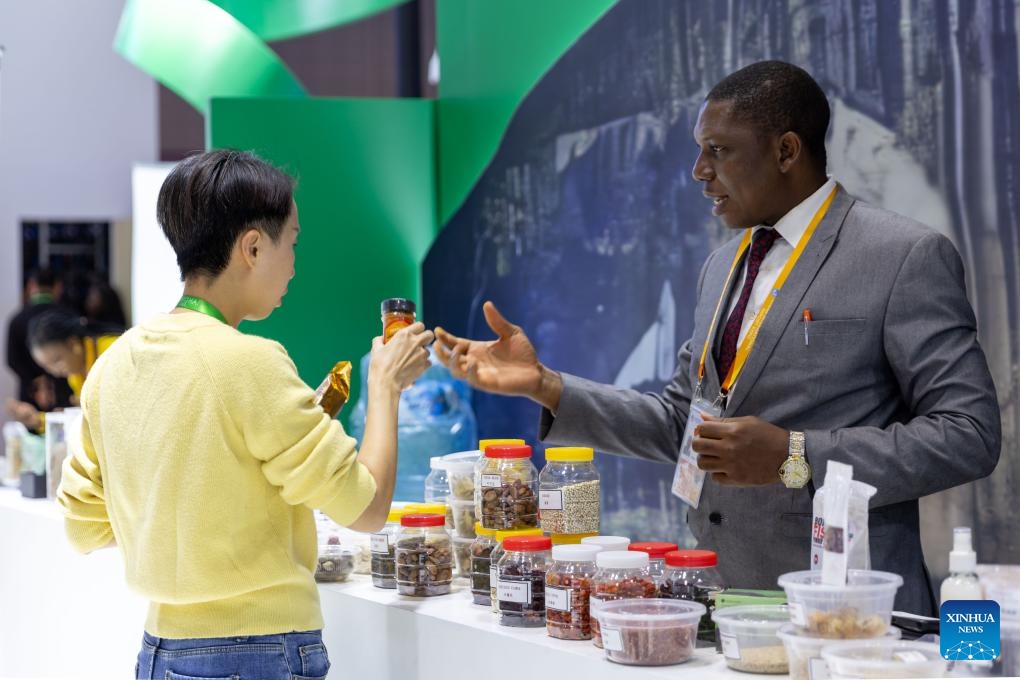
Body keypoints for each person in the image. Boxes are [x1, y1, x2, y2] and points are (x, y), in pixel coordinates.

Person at [434, 61, 1000, 616]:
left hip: (849, 613)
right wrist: (548, 386)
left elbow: (968, 434)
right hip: (721, 605)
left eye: (719, 150)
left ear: (786, 151)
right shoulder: (723, 266)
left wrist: (794, 455)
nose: (699, 170)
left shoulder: (901, 255)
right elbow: (685, 425)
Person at [56, 149, 433, 678]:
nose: (294, 264)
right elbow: (365, 508)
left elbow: (83, 527)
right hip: (259, 653)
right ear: (253, 246)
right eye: (292, 243)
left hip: (157, 653)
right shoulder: (250, 362)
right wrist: (386, 384)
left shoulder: (114, 364)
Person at [5, 307, 122, 431]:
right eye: (47, 367)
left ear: (73, 344)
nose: (55, 371)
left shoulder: (113, 351)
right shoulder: (75, 376)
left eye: (57, 361)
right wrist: (38, 420)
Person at [4, 269, 73, 425]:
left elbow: (12, 360)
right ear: (58, 287)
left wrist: (35, 381)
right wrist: (50, 381)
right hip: (63, 391)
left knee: (32, 432)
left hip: (29, 395)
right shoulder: (67, 317)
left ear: (31, 286)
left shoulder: (17, 319)